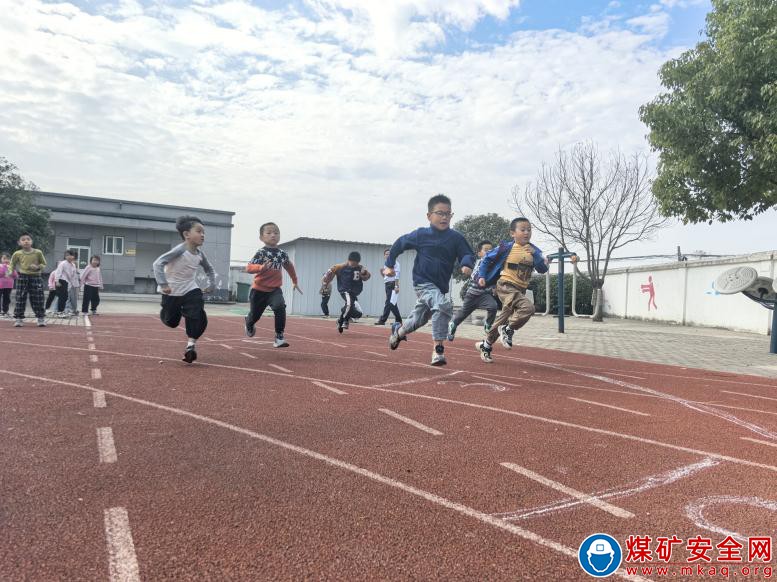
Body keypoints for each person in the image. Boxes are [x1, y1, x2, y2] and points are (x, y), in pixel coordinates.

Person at [385, 194, 474, 365]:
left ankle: (398, 332)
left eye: (448, 214)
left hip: (439, 287)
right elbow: (399, 244)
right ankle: (438, 350)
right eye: (440, 213)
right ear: (429, 216)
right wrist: (389, 265)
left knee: (419, 319)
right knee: (441, 305)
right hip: (422, 283)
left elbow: (467, 253)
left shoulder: (455, 238)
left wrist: (466, 264)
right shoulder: (421, 235)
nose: (444, 217)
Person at [474, 217, 548, 363]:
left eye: (529, 230)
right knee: (528, 308)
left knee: (502, 318)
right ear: (512, 233)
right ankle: (508, 329)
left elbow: (542, 269)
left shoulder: (534, 250)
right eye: (523, 230)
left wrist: (536, 255)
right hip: (505, 285)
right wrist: (482, 276)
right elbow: (487, 258)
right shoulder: (506, 247)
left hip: (519, 290)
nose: (526, 232)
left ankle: (486, 345)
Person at [153, 215, 216, 363]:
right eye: (199, 231)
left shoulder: (200, 254)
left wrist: (212, 284)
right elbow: (158, 264)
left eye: (204, 232)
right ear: (187, 234)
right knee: (172, 322)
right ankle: (169, 312)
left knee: (197, 313)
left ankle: (190, 346)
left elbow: (209, 269)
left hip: (190, 288)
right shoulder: (179, 250)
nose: (203, 235)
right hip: (171, 290)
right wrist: (163, 284)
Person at [244, 222, 299, 347]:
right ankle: (249, 322)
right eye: (269, 233)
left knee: (280, 307)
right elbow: (249, 268)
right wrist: (261, 267)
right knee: (255, 316)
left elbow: (289, 267)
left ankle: (279, 337)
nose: (273, 235)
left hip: (274, 290)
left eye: (276, 232)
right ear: (261, 238)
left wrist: (294, 281)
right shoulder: (261, 253)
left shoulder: (281, 254)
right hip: (258, 290)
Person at [447, 240, 499, 341]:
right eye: (486, 250)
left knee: (493, 307)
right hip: (472, 295)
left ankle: (488, 324)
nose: (489, 252)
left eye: (491, 250)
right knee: (462, 314)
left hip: (484, 295)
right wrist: (467, 268)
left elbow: (493, 278)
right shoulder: (479, 262)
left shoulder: (493, 265)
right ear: (479, 253)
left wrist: (494, 287)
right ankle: (453, 324)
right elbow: (472, 272)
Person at [322, 251, 371, 334]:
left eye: (356, 263)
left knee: (351, 308)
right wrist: (326, 280)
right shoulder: (339, 267)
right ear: (349, 260)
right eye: (352, 263)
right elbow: (326, 278)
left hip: (355, 291)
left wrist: (364, 274)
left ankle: (340, 320)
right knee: (349, 304)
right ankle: (344, 320)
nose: (354, 265)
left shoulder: (360, 267)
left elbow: (367, 277)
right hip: (345, 290)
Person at [9, 232, 47, 327]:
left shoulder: (38, 252)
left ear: (32, 241)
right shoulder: (17, 253)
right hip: (22, 277)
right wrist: (10, 271)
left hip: (36, 277)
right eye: (23, 239)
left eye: (28, 239)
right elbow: (12, 264)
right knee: (20, 298)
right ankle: (18, 319)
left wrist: (38, 267)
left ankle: (40, 318)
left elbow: (44, 264)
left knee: (38, 298)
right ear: (19, 243)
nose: (26, 241)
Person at [375, 248, 402, 326]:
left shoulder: (395, 263)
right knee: (393, 303)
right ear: (384, 256)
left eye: (389, 254)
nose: (388, 255)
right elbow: (386, 276)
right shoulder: (386, 264)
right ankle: (399, 320)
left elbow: (397, 275)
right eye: (386, 254)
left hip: (393, 284)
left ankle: (382, 320)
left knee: (388, 302)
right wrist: (383, 273)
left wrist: (397, 286)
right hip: (387, 284)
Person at [53, 250, 80, 317]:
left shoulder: (73, 265)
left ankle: (62, 311)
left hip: (68, 283)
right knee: (62, 297)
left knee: (65, 297)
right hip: (61, 281)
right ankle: (59, 312)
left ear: (73, 257)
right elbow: (58, 272)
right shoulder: (62, 263)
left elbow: (73, 275)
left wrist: (73, 284)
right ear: (65, 256)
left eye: (71, 255)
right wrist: (57, 281)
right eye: (67, 255)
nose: (69, 257)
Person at [0, 253, 18, 317]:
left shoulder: (11, 266)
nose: (6, 260)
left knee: (7, 298)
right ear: (1, 259)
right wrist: (5, 267)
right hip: (1, 285)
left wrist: (11, 269)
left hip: (9, 285)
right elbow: (1, 274)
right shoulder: (0, 266)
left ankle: (5, 311)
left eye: (8, 259)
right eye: (4, 258)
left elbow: (15, 276)